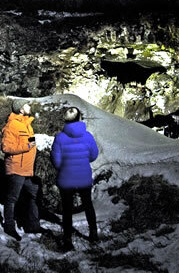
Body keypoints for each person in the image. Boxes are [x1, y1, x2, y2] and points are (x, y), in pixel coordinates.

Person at [50, 106, 99, 251]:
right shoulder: (88, 136)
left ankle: (67, 240)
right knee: (88, 205)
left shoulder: (59, 137)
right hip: (83, 176)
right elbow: (93, 156)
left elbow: (56, 161)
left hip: (66, 177)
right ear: (79, 118)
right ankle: (93, 234)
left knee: (67, 209)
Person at [1, 99, 43, 240]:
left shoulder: (27, 125)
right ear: (20, 109)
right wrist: (27, 146)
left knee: (34, 194)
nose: (29, 106)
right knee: (12, 198)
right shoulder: (12, 125)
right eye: (26, 105)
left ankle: (33, 226)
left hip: (27, 170)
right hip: (16, 168)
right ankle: (9, 227)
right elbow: (6, 147)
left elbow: (31, 144)